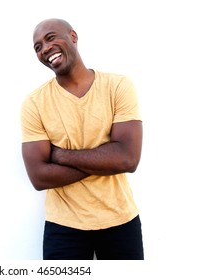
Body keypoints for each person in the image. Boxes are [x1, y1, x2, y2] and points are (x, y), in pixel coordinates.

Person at [20, 18, 144, 260]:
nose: (44, 49)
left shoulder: (118, 86)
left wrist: (60, 155)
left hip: (120, 219)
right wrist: (107, 157)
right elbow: (38, 176)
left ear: (73, 37)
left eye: (50, 38)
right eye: (37, 47)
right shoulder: (34, 104)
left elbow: (128, 159)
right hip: (63, 227)